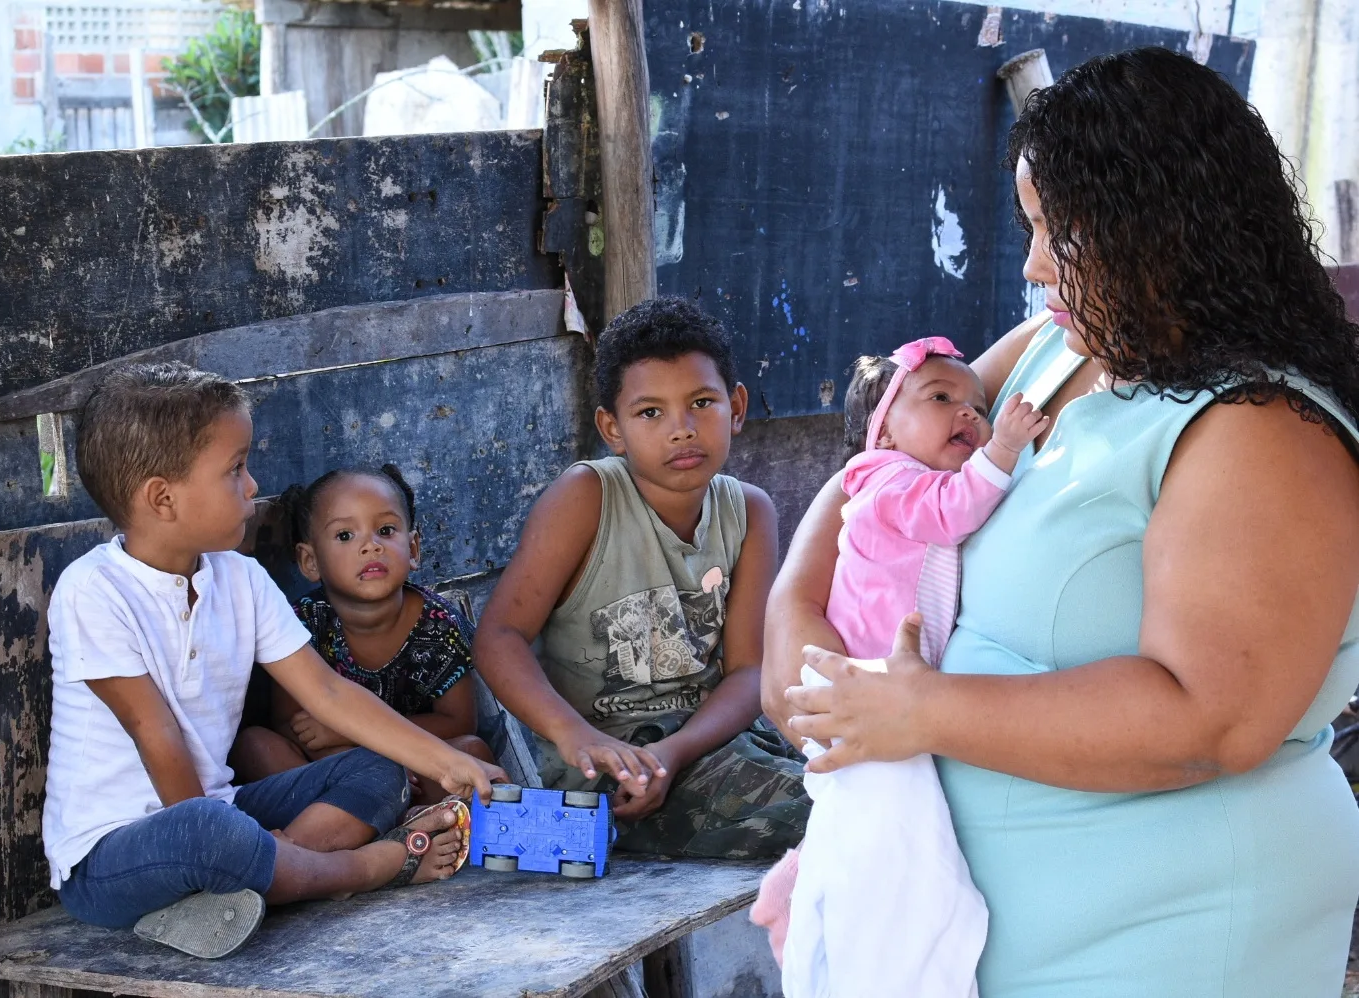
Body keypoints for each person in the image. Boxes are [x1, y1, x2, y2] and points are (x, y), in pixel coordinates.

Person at [764, 47, 1359, 997]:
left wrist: (913, 713)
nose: (1036, 265)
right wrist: (800, 639)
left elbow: (1214, 718)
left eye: (1062, 233)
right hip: (985, 932)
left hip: (1169, 939)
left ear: (1166, 229)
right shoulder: (1055, 348)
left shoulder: (1261, 434)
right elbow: (874, 467)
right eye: (1031, 227)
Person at [44, 362, 504, 959]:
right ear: (163, 498)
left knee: (378, 769)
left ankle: (261, 878)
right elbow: (153, 734)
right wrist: (219, 844)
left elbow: (331, 695)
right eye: (234, 469)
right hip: (110, 855)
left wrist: (445, 763)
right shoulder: (94, 590)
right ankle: (362, 869)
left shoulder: (241, 579)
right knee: (212, 832)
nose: (253, 485)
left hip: (223, 814)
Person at [754, 338, 1047, 998]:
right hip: (868, 689)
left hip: (886, 694)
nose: (967, 414)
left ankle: (811, 881)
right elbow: (949, 514)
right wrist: (1003, 447)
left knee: (884, 838)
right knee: (900, 852)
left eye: (977, 405)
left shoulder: (913, 476)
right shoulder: (886, 480)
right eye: (940, 399)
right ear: (883, 428)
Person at [474, 297, 809, 859]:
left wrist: (677, 752)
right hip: (602, 767)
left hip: (706, 747)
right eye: (650, 412)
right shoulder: (586, 498)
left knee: (862, 788)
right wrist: (574, 735)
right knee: (826, 816)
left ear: (736, 407)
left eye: (702, 402)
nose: (681, 429)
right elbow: (499, 637)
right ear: (612, 427)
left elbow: (750, 671)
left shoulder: (750, 512)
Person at [230, 464, 494, 805]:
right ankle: (376, 828)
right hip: (331, 769)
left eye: (385, 530)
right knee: (254, 746)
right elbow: (290, 725)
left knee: (473, 751)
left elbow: (460, 722)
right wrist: (363, 770)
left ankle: (403, 827)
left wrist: (370, 744)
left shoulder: (439, 625)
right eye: (345, 535)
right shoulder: (304, 622)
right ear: (310, 561)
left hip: (421, 764)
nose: (371, 546)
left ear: (413, 549)